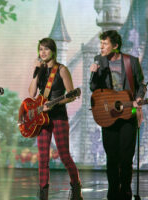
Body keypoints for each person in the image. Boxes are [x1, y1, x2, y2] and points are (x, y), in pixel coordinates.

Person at [90, 30, 146, 200]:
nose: (101, 47)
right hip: (108, 115)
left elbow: (141, 85)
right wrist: (94, 73)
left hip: (129, 112)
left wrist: (138, 99)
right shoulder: (99, 61)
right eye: (101, 43)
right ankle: (113, 191)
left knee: (126, 156)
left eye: (105, 43)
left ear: (115, 46)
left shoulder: (131, 61)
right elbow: (94, 89)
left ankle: (126, 192)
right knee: (112, 156)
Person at [28, 38, 83, 200]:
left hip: (58, 116)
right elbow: (31, 94)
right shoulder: (41, 70)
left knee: (64, 155)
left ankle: (76, 186)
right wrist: (35, 72)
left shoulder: (62, 70)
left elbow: (71, 95)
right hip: (41, 119)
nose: (43, 52)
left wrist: (54, 104)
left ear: (53, 51)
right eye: (40, 49)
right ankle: (43, 192)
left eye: (46, 49)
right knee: (43, 157)